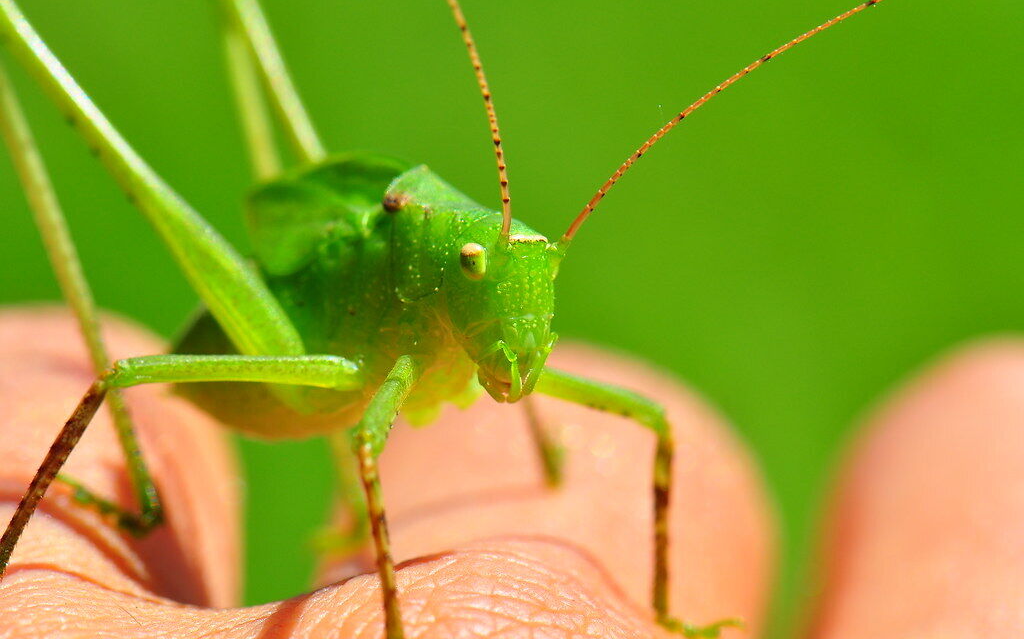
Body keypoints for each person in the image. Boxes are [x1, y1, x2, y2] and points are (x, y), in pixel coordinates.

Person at [1, 307, 1020, 637]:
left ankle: (666, 603)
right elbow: (367, 446)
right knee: (130, 369)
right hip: (284, 354)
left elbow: (645, 426)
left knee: (651, 418)